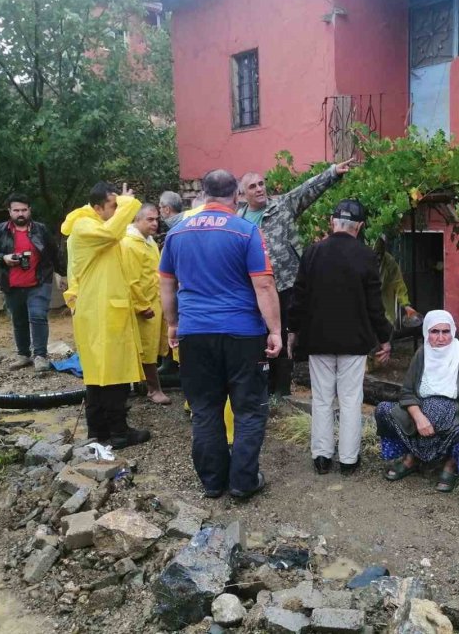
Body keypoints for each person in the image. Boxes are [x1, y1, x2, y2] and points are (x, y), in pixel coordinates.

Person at [160, 169, 281, 500]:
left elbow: (167, 284)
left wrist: (173, 323)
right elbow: (264, 284)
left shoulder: (177, 232)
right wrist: (275, 330)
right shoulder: (246, 231)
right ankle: (243, 481)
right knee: (249, 409)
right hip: (242, 334)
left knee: (205, 408)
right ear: (237, 196)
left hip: (195, 333)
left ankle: (213, 482)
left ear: (202, 192)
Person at [287, 199, 392, 475]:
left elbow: (298, 298)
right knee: (350, 399)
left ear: (332, 222)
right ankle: (348, 459)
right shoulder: (367, 256)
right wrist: (385, 338)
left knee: (321, 398)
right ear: (359, 226)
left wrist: (292, 331)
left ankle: (321, 457)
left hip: (318, 339)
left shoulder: (312, 253)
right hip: (354, 342)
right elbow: (374, 305)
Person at [236, 159, 353, 397]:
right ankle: (264, 385)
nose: (259, 189)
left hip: (287, 282)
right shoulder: (238, 220)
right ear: (242, 194)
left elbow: (307, 189)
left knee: (288, 333)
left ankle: (282, 388)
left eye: (261, 184)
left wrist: (332, 173)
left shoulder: (282, 205)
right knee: (261, 333)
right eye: (253, 187)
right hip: (257, 287)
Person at [61, 181, 149, 449]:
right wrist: (128, 203)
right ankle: (117, 432)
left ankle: (100, 431)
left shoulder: (95, 225)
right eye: (114, 205)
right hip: (99, 311)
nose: (119, 209)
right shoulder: (85, 226)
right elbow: (111, 233)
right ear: (98, 207)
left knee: (104, 374)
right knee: (111, 374)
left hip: (104, 309)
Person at [375, 310, 459, 492]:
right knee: (383, 410)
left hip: (456, 419)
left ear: (452, 331)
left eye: (445, 331)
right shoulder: (422, 354)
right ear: (426, 333)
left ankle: (450, 466)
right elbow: (406, 392)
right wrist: (419, 417)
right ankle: (410, 458)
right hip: (419, 418)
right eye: (434, 332)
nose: (441, 337)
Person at [0, 192, 65, 372]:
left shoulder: (40, 230)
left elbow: (54, 252)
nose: (20, 214)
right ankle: (23, 354)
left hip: (39, 281)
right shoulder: (1, 230)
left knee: (38, 316)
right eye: (16, 210)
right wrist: (3, 258)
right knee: (18, 320)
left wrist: (62, 274)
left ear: (30, 210)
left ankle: (40, 356)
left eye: (24, 210)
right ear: (9, 212)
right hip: (11, 284)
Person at [121, 203, 170, 405]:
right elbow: (131, 280)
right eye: (149, 219)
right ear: (137, 219)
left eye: (156, 219)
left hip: (155, 301)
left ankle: (143, 384)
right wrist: (142, 306)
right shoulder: (130, 244)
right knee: (146, 349)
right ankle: (153, 389)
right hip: (144, 306)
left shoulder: (148, 242)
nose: (155, 223)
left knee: (155, 345)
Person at [374, 235, 419, 329]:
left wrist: (406, 304)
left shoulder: (389, 261)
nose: (378, 257)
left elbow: (398, 283)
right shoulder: (360, 260)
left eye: (380, 254)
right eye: (375, 254)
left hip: (385, 309)